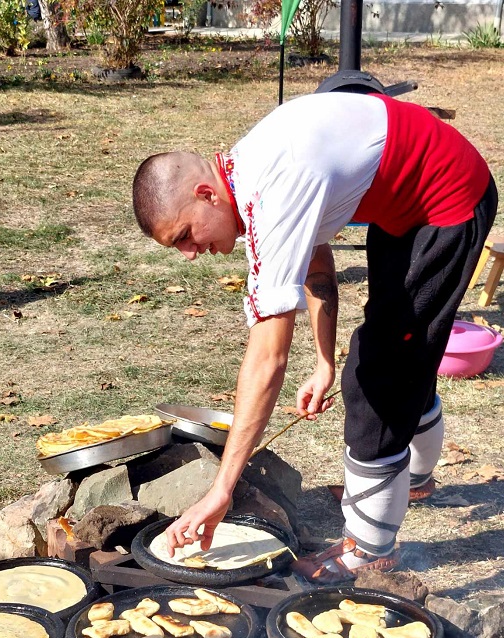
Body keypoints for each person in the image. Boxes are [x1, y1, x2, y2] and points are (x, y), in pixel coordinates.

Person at [132, 91, 498, 582]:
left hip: (450, 200)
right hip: (404, 206)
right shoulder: (246, 174)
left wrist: (222, 488)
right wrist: (324, 361)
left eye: (183, 236)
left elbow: (267, 359)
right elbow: (319, 263)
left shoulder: (274, 191)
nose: (190, 253)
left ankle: (369, 552)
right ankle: (411, 481)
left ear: (205, 194)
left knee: (375, 378)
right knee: (399, 352)